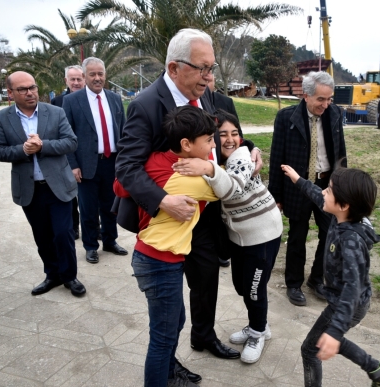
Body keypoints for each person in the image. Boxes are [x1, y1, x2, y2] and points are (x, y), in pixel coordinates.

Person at [115, 28, 261, 369]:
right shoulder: (146, 105)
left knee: (207, 278)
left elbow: (221, 137)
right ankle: (166, 359)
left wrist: (251, 150)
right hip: (168, 215)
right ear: (173, 68)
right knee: (168, 302)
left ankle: (203, 335)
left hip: (205, 209)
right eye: (202, 68)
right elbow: (126, 167)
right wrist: (164, 201)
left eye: (211, 68)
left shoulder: (205, 95)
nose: (210, 77)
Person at [114, 106, 220, 387]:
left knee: (174, 322)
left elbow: (120, 186)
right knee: (162, 338)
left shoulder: (154, 160)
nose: (213, 145)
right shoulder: (190, 179)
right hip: (161, 262)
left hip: (151, 257)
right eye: (209, 140)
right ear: (186, 145)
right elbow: (232, 188)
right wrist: (210, 167)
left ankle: (169, 375)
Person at [174, 109, 283, 364]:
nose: (230, 139)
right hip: (239, 237)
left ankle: (259, 331)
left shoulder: (241, 157)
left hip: (263, 233)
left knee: (255, 289)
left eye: (235, 133)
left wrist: (207, 167)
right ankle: (259, 323)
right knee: (241, 286)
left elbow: (232, 189)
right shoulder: (217, 160)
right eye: (222, 134)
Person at [280, 163, 380, 387]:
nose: (324, 190)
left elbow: (352, 288)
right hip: (346, 301)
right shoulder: (343, 215)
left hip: (347, 303)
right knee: (327, 339)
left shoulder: (351, 240)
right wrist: (297, 179)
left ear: (344, 204)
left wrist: (335, 329)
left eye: (330, 188)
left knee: (310, 349)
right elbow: (318, 195)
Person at [0, 71, 86, 298]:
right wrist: (23, 150)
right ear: (11, 93)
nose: (30, 92)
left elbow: (71, 142)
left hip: (59, 186)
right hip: (30, 189)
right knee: (42, 236)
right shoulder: (3, 118)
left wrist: (42, 146)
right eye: (22, 89)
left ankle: (69, 276)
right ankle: (52, 274)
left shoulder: (54, 112)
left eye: (32, 87)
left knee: (63, 234)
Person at [268, 71, 346, 307]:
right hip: (296, 186)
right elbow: (276, 157)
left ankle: (316, 278)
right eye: (321, 99)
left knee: (329, 234)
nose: (326, 104)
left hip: (326, 186)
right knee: (297, 236)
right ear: (306, 95)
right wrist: (277, 195)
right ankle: (293, 284)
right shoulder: (286, 117)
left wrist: (342, 187)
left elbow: (341, 154)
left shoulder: (334, 114)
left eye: (329, 99)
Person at [62, 57, 128, 264]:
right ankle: (91, 246)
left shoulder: (115, 99)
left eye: (100, 74)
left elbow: (124, 131)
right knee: (88, 209)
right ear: (84, 76)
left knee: (111, 206)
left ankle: (110, 241)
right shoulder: (72, 101)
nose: (97, 78)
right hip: (86, 165)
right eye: (92, 74)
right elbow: (66, 136)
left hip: (112, 162)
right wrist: (72, 165)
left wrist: (125, 161)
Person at [51, 65, 86, 240]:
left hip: (88, 157)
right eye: (72, 79)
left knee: (90, 198)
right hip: (66, 158)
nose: (76, 82)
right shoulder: (57, 103)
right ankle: (74, 226)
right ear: (66, 80)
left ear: (84, 79)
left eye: (79, 78)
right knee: (71, 197)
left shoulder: (92, 99)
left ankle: (94, 227)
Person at [207, 75, 238, 267]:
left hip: (226, 164)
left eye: (210, 76)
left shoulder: (225, 102)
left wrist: (252, 148)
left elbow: (236, 133)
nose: (206, 79)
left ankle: (222, 248)